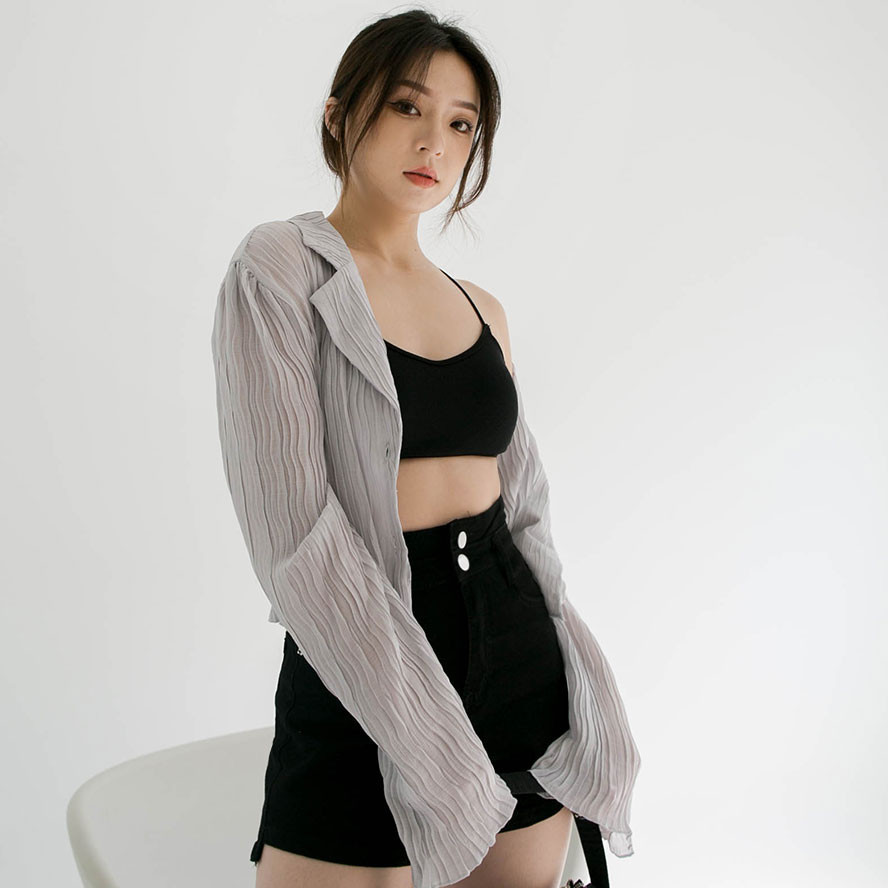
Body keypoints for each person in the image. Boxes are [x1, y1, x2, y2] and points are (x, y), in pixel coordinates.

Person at [210, 10, 640, 888]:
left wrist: (577, 668)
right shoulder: (279, 269)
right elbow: (293, 533)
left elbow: (526, 513)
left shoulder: (482, 307)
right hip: (360, 661)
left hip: (518, 661)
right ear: (339, 115)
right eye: (408, 106)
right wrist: (425, 732)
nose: (434, 142)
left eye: (460, 123)